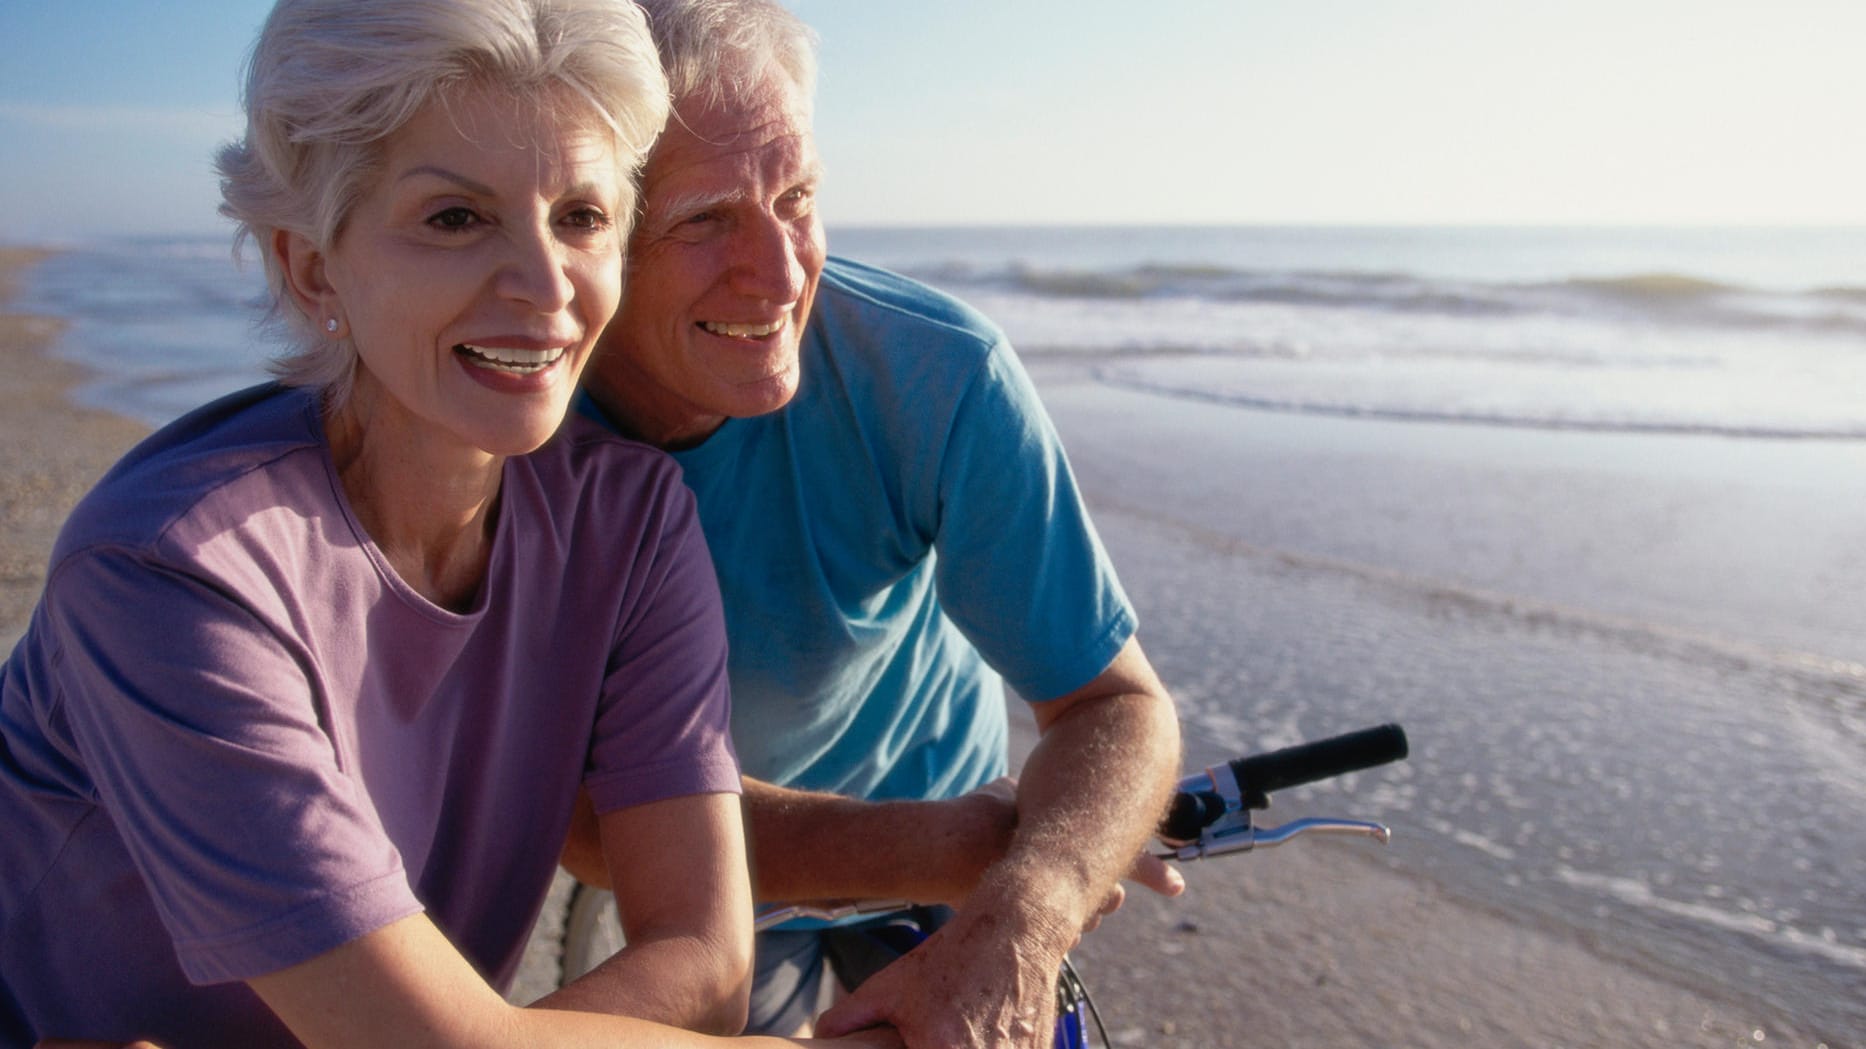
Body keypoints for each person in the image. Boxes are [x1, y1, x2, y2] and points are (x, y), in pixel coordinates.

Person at [0, 1, 898, 1046]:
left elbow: (704, 966)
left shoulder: (631, 521)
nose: (544, 285)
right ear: (310, 265)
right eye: (456, 219)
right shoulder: (173, 573)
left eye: (582, 216)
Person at [570, 1, 1185, 1044]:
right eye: (707, 218)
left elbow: (1117, 705)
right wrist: (954, 840)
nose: (780, 272)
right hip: (714, 872)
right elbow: (582, 811)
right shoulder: (509, 440)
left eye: (798, 197)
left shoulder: (934, 372)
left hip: (958, 860)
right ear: (589, 232)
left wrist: (1033, 896)